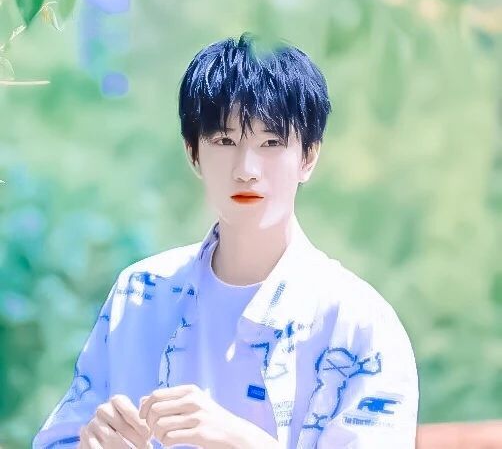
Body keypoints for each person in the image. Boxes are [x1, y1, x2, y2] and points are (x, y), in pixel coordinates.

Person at [33, 33, 419, 449]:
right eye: (224, 141)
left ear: (308, 156)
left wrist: (241, 441)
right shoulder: (140, 294)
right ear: (193, 153)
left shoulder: (357, 323)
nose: (246, 169)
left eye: (271, 142)